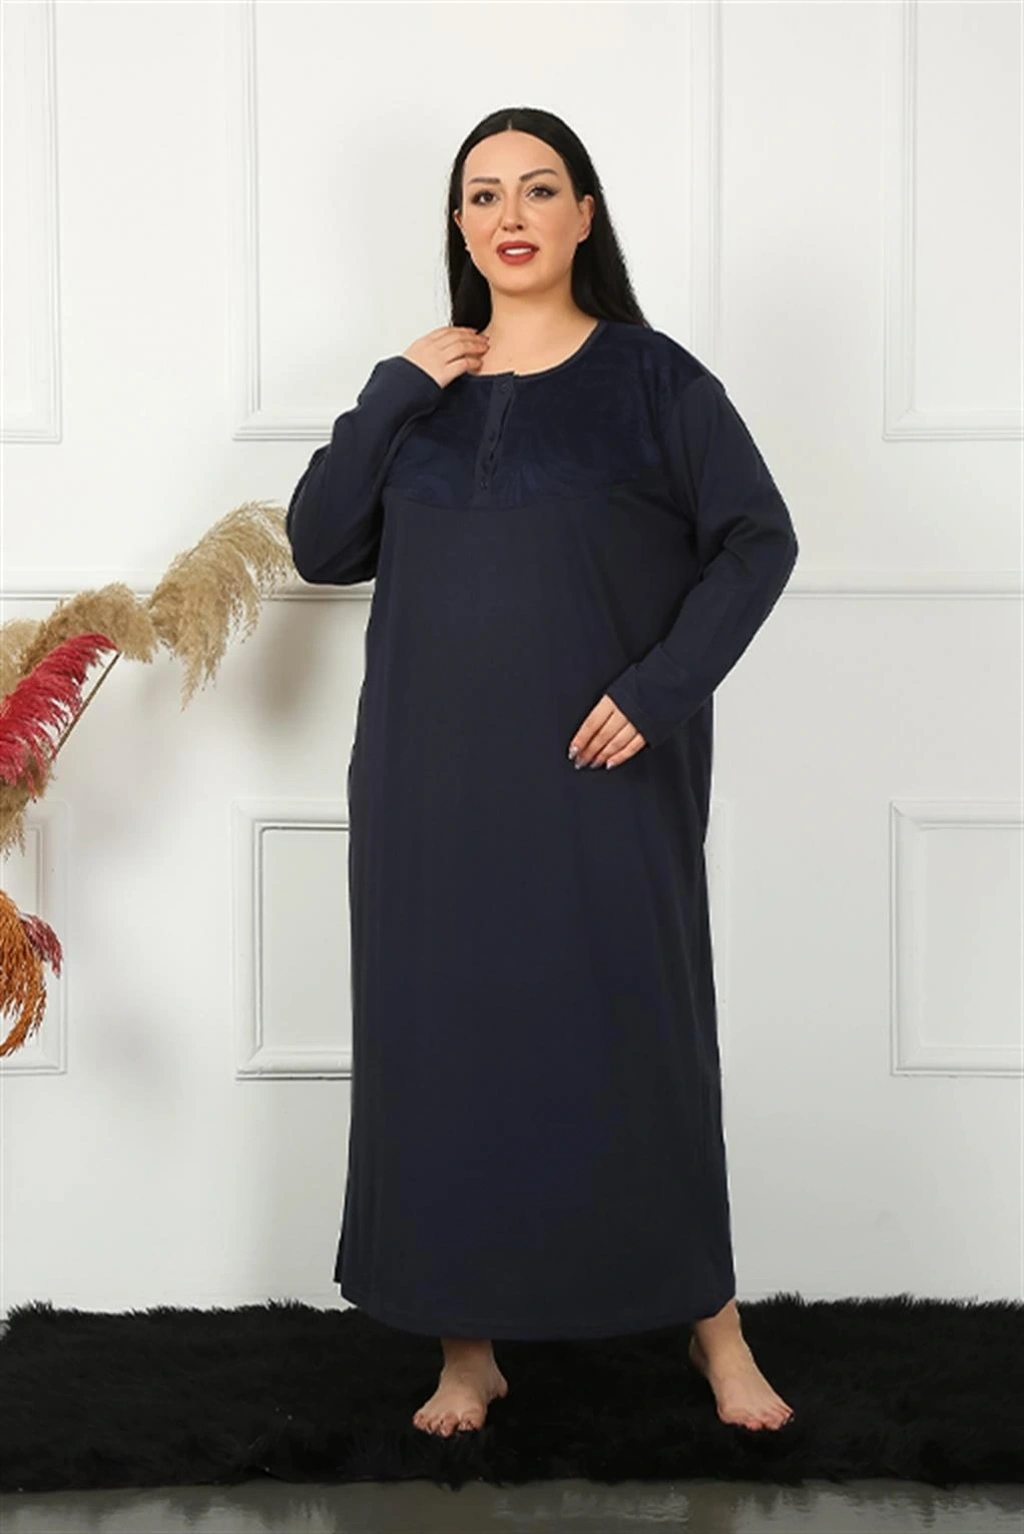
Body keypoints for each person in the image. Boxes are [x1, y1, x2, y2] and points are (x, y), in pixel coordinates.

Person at [286, 106, 799, 1440]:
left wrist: (658, 689)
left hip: (598, 780)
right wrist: (396, 386)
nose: (509, 214)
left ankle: (716, 1328)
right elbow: (320, 545)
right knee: (444, 1052)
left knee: (644, 1038)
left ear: (584, 215)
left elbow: (758, 540)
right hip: (429, 790)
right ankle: (469, 1352)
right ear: (460, 225)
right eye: (482, 194)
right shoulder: (423, 399)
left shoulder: (654, 381)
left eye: (538, 188)